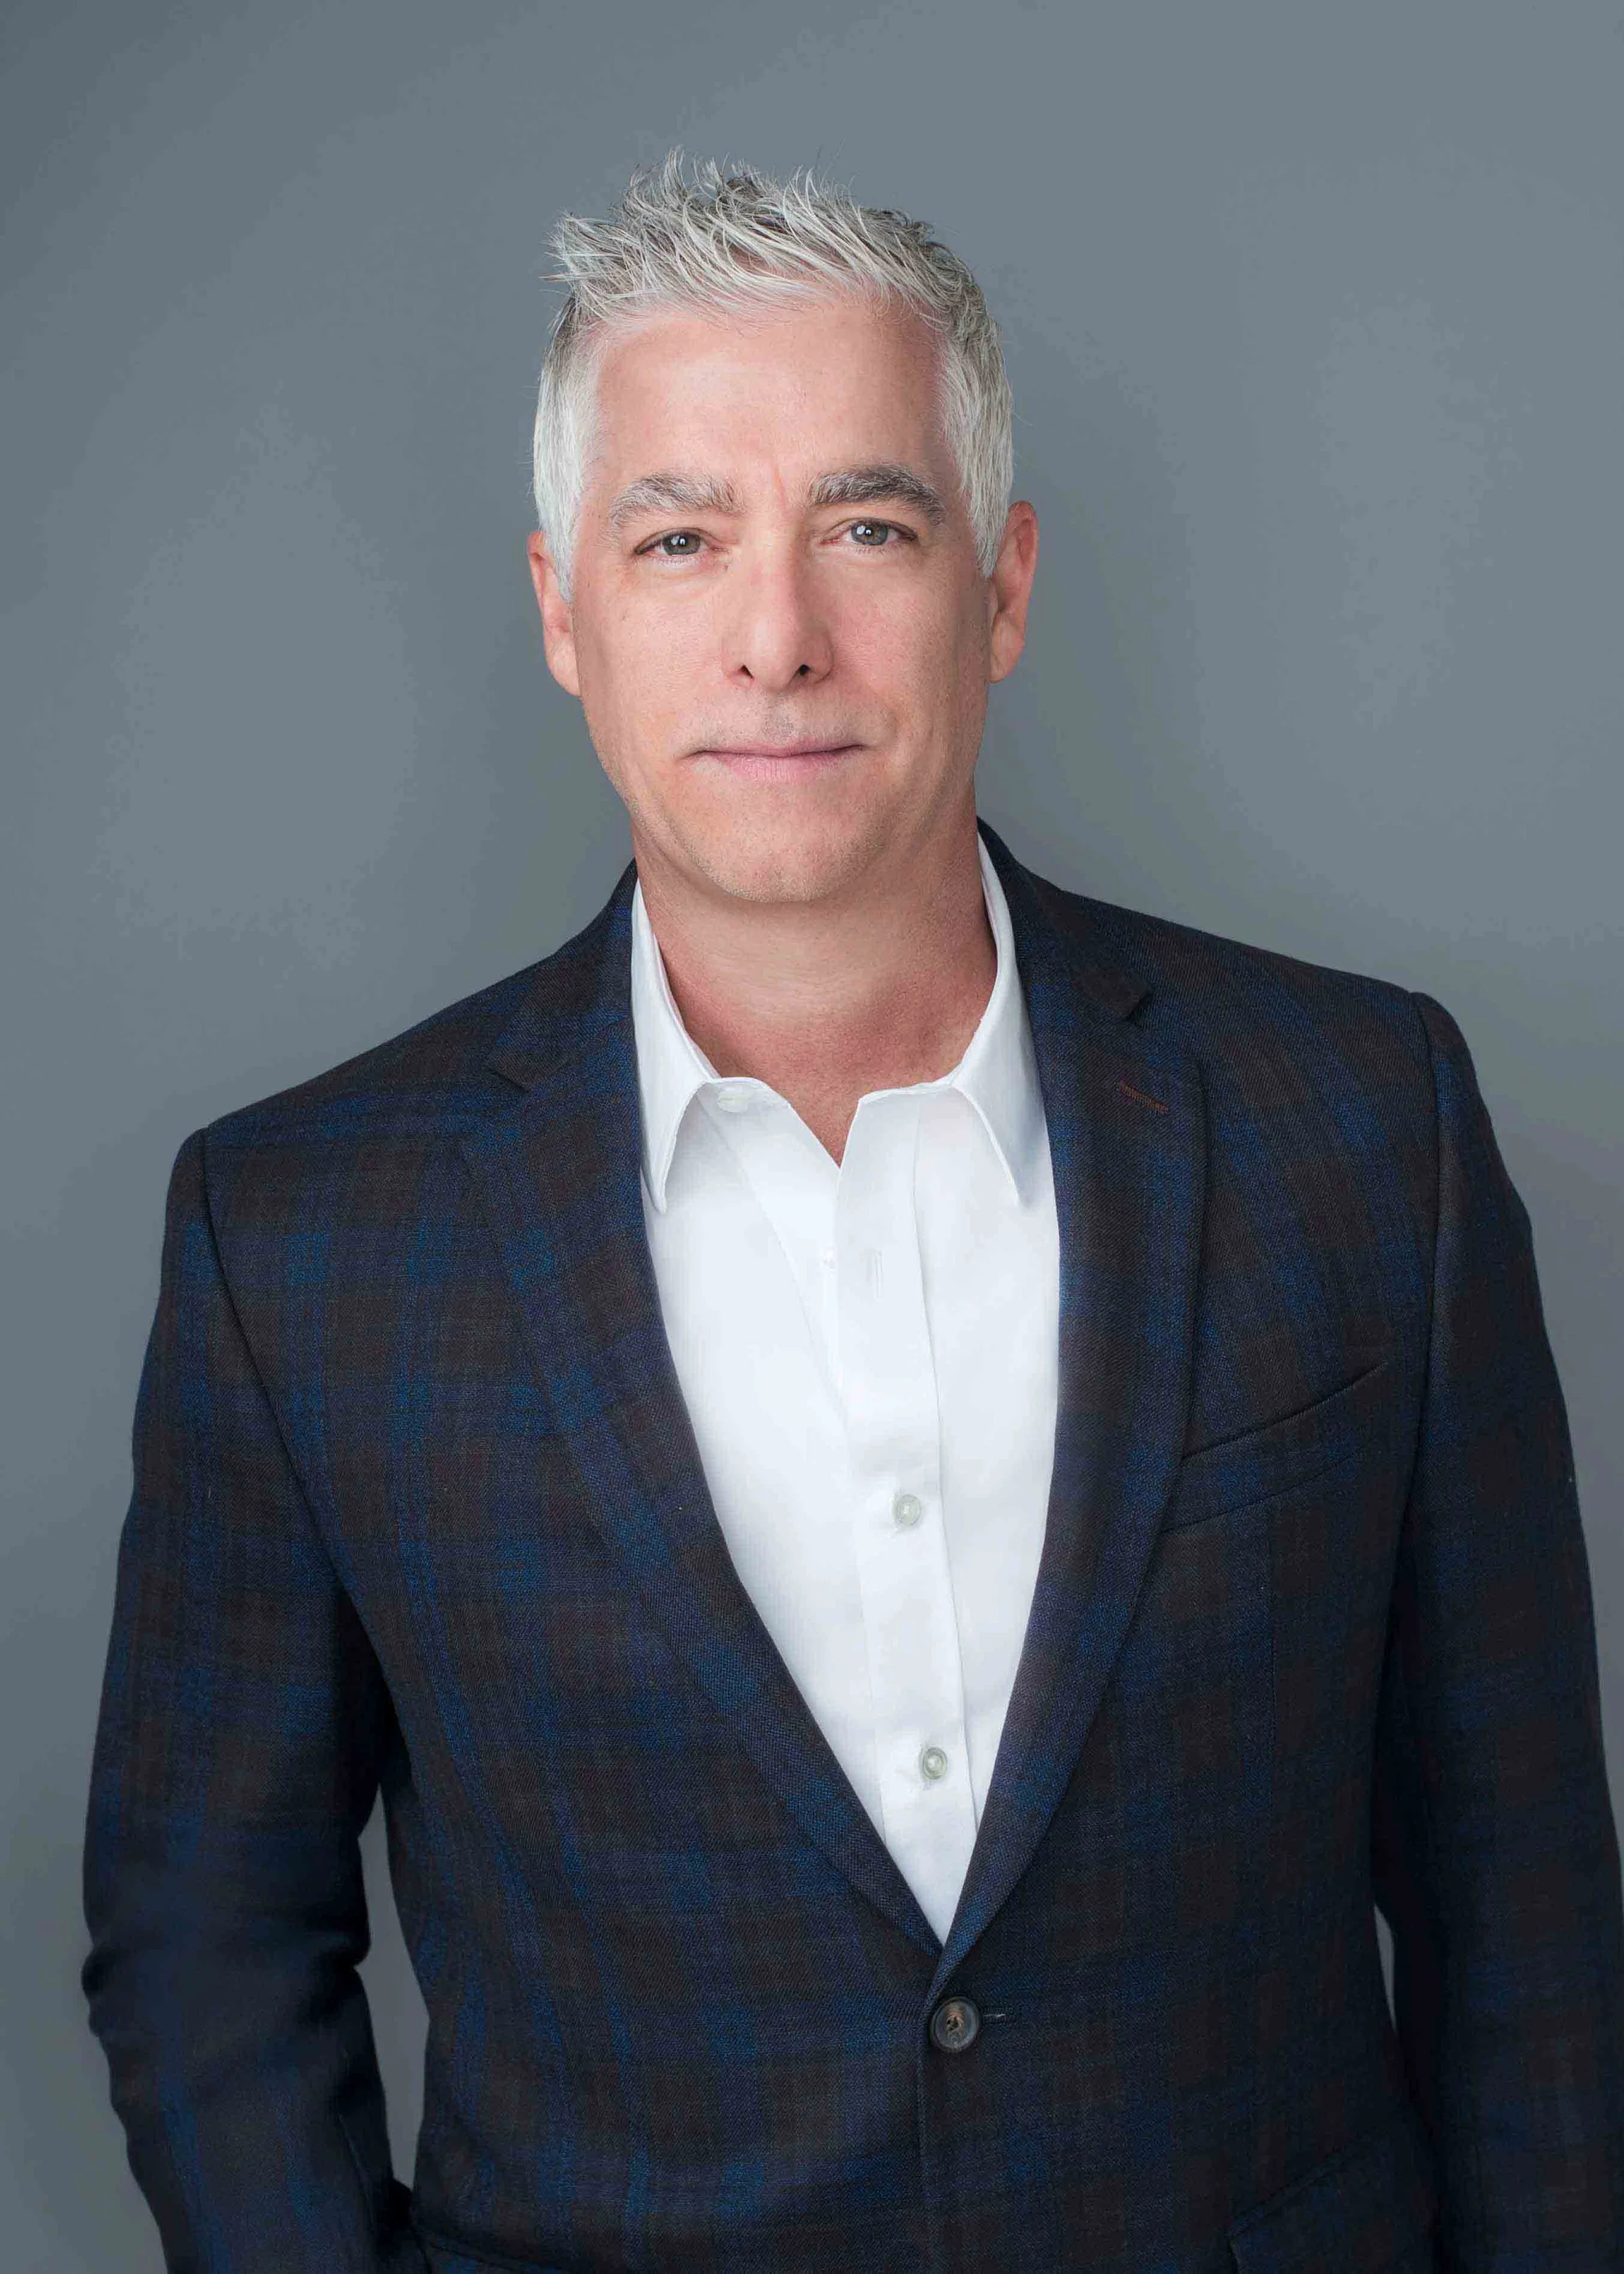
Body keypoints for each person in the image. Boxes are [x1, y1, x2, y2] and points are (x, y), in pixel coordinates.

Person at [82, 152, 1624, 2274]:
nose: (776, 638)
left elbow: (1520, 1895)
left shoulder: (1363, 1127)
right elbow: (204, 1941)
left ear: (1000, 587)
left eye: (867, 526)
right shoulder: (301, 1241)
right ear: (561, 609)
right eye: (678, 537)